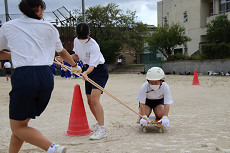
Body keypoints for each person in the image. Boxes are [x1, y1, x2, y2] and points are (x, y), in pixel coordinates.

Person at [0, 0, 81, 152]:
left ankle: (52, 148)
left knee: (18, 127)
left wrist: (15, 54)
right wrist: (75, 67)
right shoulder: (50, 27)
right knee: (21, 125)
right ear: (39, 8)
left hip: (25, 76)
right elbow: (62, 52)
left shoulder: (8, 26)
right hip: (46, 76)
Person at [67, 22, 109, 140]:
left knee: (95, 100)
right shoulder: (76, 41)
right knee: (89, 101)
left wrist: (85, 73)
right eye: (79, 37)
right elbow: (77, 55)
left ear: (89, 34)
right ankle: (98, 123)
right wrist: (66, 58)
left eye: (83, 37)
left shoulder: (94, 46)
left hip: (99, 71)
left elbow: (93, 66)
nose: (81, 39)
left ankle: (102, 130)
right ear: (76, 35)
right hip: (87, 69)